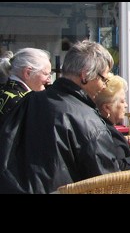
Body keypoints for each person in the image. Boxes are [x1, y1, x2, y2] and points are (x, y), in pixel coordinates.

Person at [0, 40, 120, 193]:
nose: (104, 86)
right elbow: (108, 184)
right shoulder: (89, 122)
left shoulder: (28, 101)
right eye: (104, 79)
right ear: (84, 75)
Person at [93, 73, 130, 170]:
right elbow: (115, 170)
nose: (126, 105)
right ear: (107, 107)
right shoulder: (107, 134)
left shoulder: (97, 125)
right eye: (122, 101)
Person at [0, 48, 53, 120]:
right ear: (27, 73)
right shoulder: (24, 101)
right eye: (46, 74)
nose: (49, 80)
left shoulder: (4, 92)